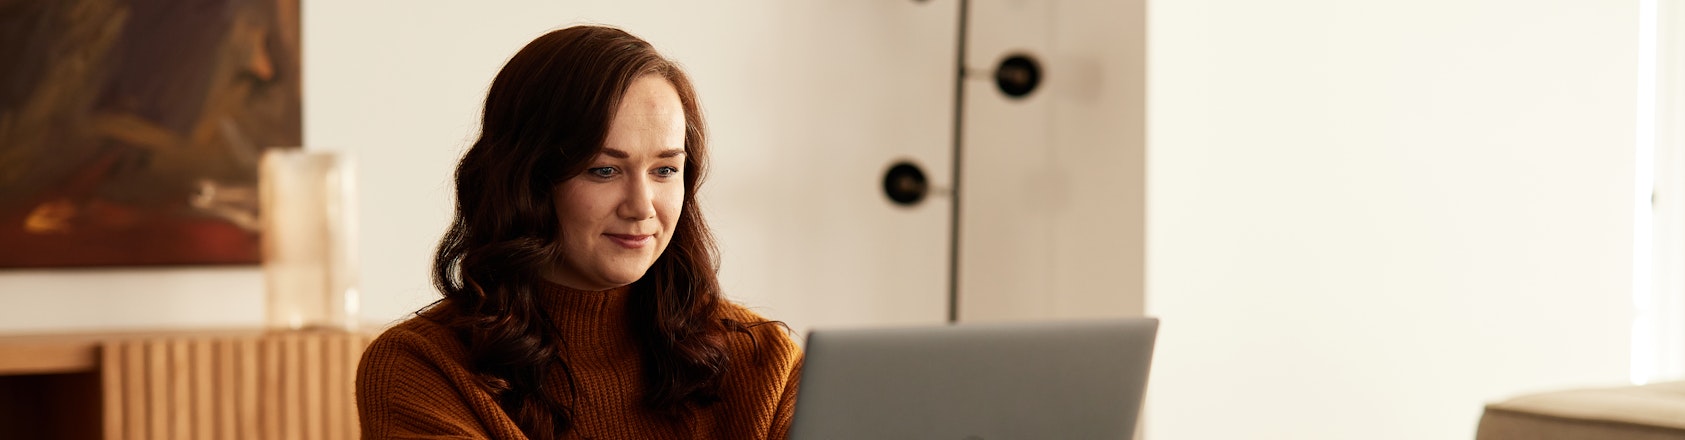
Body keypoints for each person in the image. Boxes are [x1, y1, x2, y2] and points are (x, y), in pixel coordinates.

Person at [356, 25, 802, 440]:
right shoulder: (423, 368)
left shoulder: (766, 364)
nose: (642, 206)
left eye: (665, 170)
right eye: (604, 170)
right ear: (528, 180)